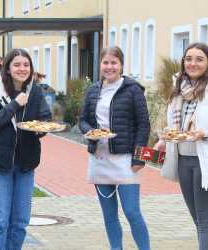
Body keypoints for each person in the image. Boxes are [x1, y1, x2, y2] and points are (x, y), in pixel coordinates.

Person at [0, 48, 52, 250]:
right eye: (17, 64)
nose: (22, 68)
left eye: (26, 64)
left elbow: (45, 117)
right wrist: (14, 104)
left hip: (25, 163)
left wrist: (41, 130)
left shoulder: (34, 90)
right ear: (8, 68)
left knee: (20, 222)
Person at [79, 46, 151, 250]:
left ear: (121, 65)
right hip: (100, 159)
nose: (109, 67)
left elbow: (143, 124)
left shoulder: (133, 89)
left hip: (126, 160)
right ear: (100, 64)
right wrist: (90, 132)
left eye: (114, 62)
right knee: (109, 216)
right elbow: (82, 120)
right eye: (105, 62)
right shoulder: (93, 89)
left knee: (132, 212)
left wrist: (139, 158)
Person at [154, 42, 208, 250]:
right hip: (183, 160)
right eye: (189, 59)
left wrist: (204, 133)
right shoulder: (178, 88)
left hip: (204, 160)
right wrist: (163, 140)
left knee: (204, 221)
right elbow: (173, 124)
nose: (193, 63)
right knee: (197, 219)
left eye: (199, 59)